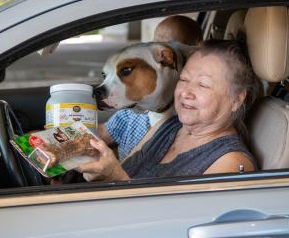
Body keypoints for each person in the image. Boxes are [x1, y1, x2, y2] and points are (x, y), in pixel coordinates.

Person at [78, 40, 259, 181]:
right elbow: (124, 170)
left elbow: (177, 226)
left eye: (203, 85)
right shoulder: (170, 126)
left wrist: (115, 177)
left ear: (236, 99)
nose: (186, 92)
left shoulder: (231, 163)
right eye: (184, 80)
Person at [98, 15, 203, 160]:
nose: (163, 53)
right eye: (155, 42)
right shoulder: (133, 108)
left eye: (174, 46)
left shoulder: (189, 120)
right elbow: (101, 134)